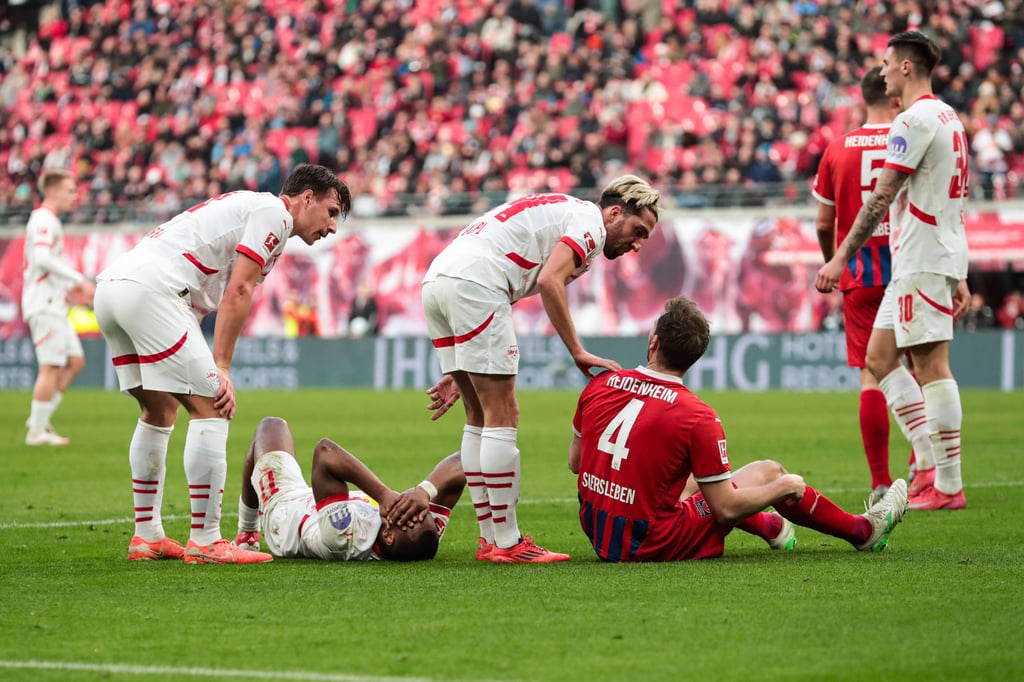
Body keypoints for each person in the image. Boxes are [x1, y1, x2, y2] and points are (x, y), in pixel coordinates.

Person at [93, 163, 351, 564]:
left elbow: (206, 289)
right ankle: (207, 539)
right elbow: (239, 289)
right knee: (213, 404)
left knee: (158, 409)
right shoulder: (275, 215)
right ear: (306, 198)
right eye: (331, 212)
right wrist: (222, 367)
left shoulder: (253, 210)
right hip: (152, 292)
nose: (332, 226)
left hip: (113, 289)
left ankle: (147, 535)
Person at [422, 175, 660, 562]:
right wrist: (578, 351)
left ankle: (490, 541)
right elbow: (551, 281)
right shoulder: (591, 226)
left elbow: (512, 264)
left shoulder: (568, 210)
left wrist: (462, 364)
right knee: (504, 412)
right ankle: (509, 541)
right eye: (637, 230)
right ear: (614, 213)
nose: (636, 244)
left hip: (439, 280)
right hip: (476, 283)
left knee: (478, 414)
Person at [568, 296, 909, 562]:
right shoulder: (697, 415)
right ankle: (863, 531)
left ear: (654, 342)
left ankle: (771, 526)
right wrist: (783, 488)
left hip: (599, 532)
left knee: (690, 480)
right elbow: (725, 508)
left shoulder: (602, 383)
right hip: (652, 543)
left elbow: (576, 463)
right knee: (770, 473)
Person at [816, 31, 971, 511]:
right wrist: (959, 271)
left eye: (886, 63)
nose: (881, 71)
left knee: (930, 366)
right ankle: (927, 465)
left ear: (906, 68)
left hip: (920, 257)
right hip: (924, 256)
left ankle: (947, 485)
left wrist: (840, 256)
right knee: (881, 358)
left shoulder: (914, 119)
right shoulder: (947, 116)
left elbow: (881, 195)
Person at [812, 66, 903, 505]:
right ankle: (932, 472)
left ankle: (881, 480)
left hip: (861, 275)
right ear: (895, 96)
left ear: (862, 99)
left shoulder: (837, 148)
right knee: (925, 369)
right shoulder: (911, 138)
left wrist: (834, 258)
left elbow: (824, 221)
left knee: (872, 374)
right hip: (908, 266)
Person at [232, 417, 464, 561]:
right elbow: (466, 461)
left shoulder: (344, 536)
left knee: (271, 427)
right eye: (421, 511)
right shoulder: (425, 534)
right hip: (317, 505)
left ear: (388, 535)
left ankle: (247, 533)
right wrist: (425, 491)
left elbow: (325, 453)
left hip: (287, 513)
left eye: (406, 512)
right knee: (261, 453)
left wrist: (383, 495)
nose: (411, 506)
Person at [22, 168, 96, 446]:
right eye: (69, 190)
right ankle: (36, 432)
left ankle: (39, 420)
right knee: (50, 366)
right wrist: (78, 280)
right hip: (43, 302)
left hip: (54, 301)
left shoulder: (49, 220)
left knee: (75, 361)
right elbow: (41, 258)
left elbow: (49, 263)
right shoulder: (43, 218)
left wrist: (71, 287)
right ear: (53, 191)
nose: (74, 195)